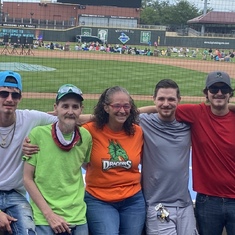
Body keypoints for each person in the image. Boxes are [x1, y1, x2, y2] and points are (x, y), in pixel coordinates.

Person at [23, 84, 92, 235]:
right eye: (65, 106)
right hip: (45, 219)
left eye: (75, 106)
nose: (70, 111)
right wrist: (49, 215)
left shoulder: (85, 137)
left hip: (77, 218)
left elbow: (87, 166)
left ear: (82, 109)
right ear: (56, 108)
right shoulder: (38, 134)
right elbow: (27, 178)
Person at [175, 71, 235, 235]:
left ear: (230, 93)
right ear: (206, 93)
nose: (219, 93)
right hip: (208, 200)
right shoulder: (196, 113)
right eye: (214, 89)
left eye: (224, 89)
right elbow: (161, 108)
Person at [0, 70, 57, 234]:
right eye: (4, 93)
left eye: (15, 95)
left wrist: (123, 112)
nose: (9, 99)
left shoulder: (30, 118)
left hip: (15, 194)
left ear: (20, 98)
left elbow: (68, 119)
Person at [83, 86, 145, 235]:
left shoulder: (137, 132)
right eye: (116, 106)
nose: (122, 110)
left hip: (133, 199)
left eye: (126, 106)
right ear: (106, 108)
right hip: (99, 199)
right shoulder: (89, 130)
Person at [139, 79, 197, 235]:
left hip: (184, 204)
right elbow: (122, 113)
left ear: (179, 100)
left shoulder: (189, 124)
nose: (166, 103)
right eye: (161, 99)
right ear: (154, 99)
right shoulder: (144, 122)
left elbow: (216, 110)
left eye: (171, 99)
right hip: (158, 205)